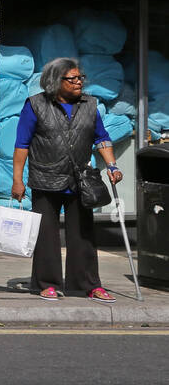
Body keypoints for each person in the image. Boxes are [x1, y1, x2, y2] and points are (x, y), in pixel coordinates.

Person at [12, 57, 123, 301]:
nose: (78, 82)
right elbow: (22, 144)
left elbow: (101, 138)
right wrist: (17, 180)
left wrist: (112, 165)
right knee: (46, 235)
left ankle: (87, 285)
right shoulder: (35, 105)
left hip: (79, 180)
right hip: (45, 178)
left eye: (79, 78)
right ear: (54, 82)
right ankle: (47, 283)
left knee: (83, 234)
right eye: (71, 79)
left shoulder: (90, 105)